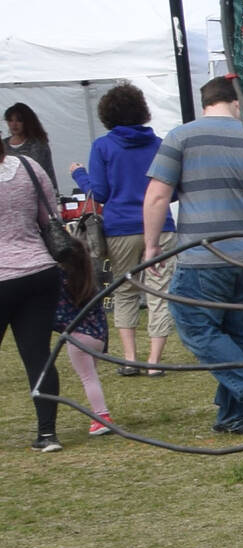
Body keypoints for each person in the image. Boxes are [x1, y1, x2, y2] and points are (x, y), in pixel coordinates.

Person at [144, 75, 243, 439]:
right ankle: (235, 415)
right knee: (238, 334)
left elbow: (157, 196)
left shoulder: (181, 136)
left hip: (203, 252)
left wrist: (151, 246)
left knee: (193, 323)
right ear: (236, 102)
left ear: (205, 102)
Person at [68, 83, 177, 376]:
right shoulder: (160, 144)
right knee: (160, 292)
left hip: (120, 228)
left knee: (125, 290)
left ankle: (130, 359)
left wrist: (80, 174)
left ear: (107, 114)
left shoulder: (103, 146)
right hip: (161, 226)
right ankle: (154, 362)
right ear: (142, 110)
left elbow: (99, 194)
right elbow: (173, 191)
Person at [0, 136, 66, 451]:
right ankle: (47, 434)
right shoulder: (28, 165)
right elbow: (50, 216)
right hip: (39, 269)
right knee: (38, 355)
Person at [52, 235, 114, 435]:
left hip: (77, 337)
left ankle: (101, 417)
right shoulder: (90, 281)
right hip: (96, 336)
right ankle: (99, 416)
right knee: (92, 375)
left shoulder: (61, 282)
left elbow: (58, 316)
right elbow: (102, 316)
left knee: (88, 378)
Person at [4, 104, 56, 184]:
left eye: (19, 120)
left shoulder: (38, 145)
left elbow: (35, 173)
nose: (14, 124)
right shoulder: (3, 144)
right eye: (10, 120)